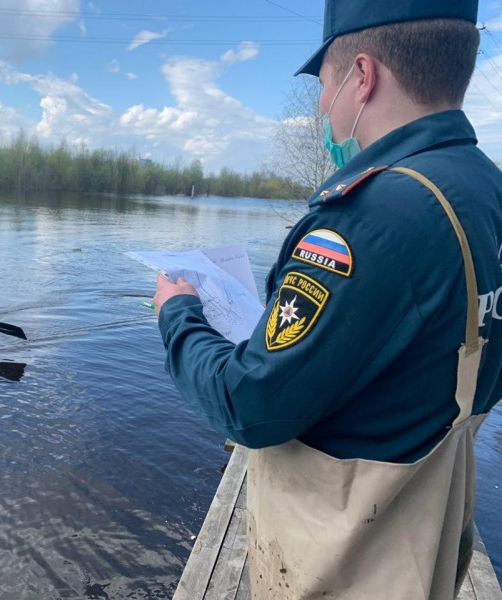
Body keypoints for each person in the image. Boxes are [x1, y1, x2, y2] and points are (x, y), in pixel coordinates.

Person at [151, 1, 502, 598]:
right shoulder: (485, 189)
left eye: (324, 84)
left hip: (351, 559)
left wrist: (176, 312)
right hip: (433, 523)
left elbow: (248, 403)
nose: (321, 107)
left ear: (362, 77)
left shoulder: (369, 219)